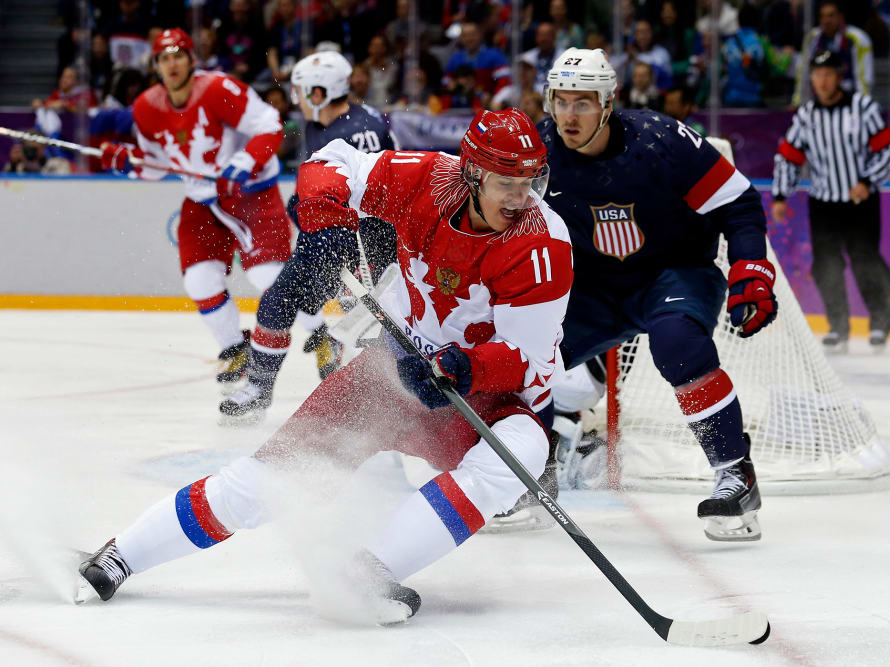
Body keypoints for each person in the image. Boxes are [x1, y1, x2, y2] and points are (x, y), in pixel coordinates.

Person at [76, 108, 574, 625]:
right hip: (392, 372)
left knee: (521, 455)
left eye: (530, 182)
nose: (521, 198)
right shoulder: (425, 178)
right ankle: (122, 554)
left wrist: (462, 368)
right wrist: (325, 212)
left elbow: (526, 357)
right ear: (471, 172)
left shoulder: (542, 242)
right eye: (506, 183)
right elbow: (330, 161)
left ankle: (368, 572)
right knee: (272, 483)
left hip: (489, 399)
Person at [535, 48, 776, 542]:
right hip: (591, 286)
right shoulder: (537, 150)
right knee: (522, 355)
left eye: (581, 103)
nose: (568, 115)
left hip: (674, 272)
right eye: (560, 101)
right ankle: (529, 468)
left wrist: (751, 268)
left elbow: (739, 202)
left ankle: (736, 473)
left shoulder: (662, 139)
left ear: (607, 104)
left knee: (678, 346)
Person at [98, 28, 312, 387]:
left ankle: (324, 337)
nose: (172, 63)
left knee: (268, 277)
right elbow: (154, 166)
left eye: (179, 55)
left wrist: (243, 164)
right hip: (203, 200)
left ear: (192, 60)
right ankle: (235, 351)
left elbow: (270, 125)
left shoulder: (217, 89)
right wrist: (127, 161)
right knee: (199, 281)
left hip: (250, 193)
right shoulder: (146, 108)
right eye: (164, 58)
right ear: (157, 66)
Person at [221, 50, 399, 419]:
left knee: (375, 328)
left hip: (356, 246)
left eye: (301, 92)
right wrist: (300, 204)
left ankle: (379, 405)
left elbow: (372, 197)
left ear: (320, 93)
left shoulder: (360, 132)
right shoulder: (320, 124)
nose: (296, 99)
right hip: (324, 242)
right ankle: (261, 387)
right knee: (277, 303)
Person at [772, 50, 890, 353]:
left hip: (860, 203)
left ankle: (881, 320)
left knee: (865, 260)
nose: (823, 81)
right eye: (817, 75)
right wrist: (780, 194)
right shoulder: (806, 115)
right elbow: (788, 157)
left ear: (839, 77)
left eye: (829, 74)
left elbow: (888, 149)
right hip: (824, 202)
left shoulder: (862, 108)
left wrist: (868, 181)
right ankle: (838, 327)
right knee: (826, 265)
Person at [792, 0, 873, 105]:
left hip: (849, 101)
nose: (826, 21)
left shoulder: (858, 38)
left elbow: (864, 78)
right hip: (819, 100)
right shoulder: (812, 38)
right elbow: (803, 72)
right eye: (822, 16)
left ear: (841, 17)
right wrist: (797, 103)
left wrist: (863, 105)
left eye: (831, 16)